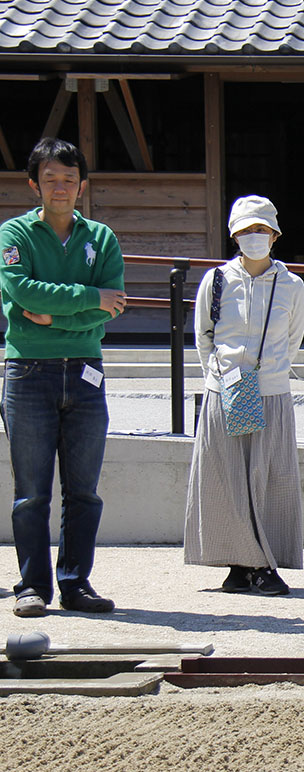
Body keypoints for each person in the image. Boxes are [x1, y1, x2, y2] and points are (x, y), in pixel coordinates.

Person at [0, 138, 126, 618]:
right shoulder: (14, 234)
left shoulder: (103, 237)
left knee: (84, 491)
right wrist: (89, 298)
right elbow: (23, 291)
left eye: (69, 179)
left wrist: (60, 316)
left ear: (82, 186)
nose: (60, 187)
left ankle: (76, 583)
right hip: (27, 372)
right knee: (31, 491)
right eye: (50, 178)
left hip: (87, 372)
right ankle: (31, 587)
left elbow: (111, 305)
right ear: (33, 184)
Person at [183, 196, 304, 595]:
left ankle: (260, 563)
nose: (254, 237)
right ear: (234, 235)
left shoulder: (292, 285)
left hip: (271, 390)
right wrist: (219, 378)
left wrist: (267, 373)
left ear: (274, 235)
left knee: (270, 478)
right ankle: (243, 565)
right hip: (227, 390)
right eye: (246, 230)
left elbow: (293, 340)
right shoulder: (216, 280)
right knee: (227, 478)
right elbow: (205, 336)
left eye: (261, 230)